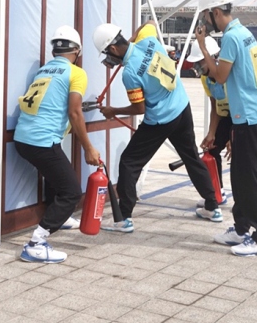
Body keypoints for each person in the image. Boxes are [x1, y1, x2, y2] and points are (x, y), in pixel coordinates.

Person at [92, 20, 220, 232]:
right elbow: (149, 23)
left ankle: (123, 218)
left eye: (108, 53)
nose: (109, 59)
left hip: (161, 119)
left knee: (129, 162)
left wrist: (113, 111)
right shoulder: (148, 41)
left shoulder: (129, 73)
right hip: (181, 107)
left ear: (113, 49)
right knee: (191, 157)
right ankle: (212, 206)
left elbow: (139, 108)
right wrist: (132, 39)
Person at [195, 0, 257, 256]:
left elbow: (220, 76)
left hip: (250, 117)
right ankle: (241, 229)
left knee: (250, 178)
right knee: (240, 177)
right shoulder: (244, 32)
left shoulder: (230, 37)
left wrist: (203, 47)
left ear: (216, 12)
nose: (206, 22)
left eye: (206, 16)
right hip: (250, 115)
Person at [14, 26, 101, 263]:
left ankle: (59, 219)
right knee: (71, 192)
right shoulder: (76, 73)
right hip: (42, 141)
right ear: (77, 51)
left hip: (23, 139)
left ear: (54, 50)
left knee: (56, 178)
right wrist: (88, 148)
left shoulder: (43, 70)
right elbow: (74, 112)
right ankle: (36, 243)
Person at [186, 36, 229, 205]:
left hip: (242, 118)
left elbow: (241, 105)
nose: (196, 66)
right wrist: (211, 133)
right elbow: (215, 106)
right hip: (225, 117)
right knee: (212, 150)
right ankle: (218, 192)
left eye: (199, 62)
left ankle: (244, 201)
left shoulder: (228, 74)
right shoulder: (205, 79)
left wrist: (233, 136)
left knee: (240, 156)